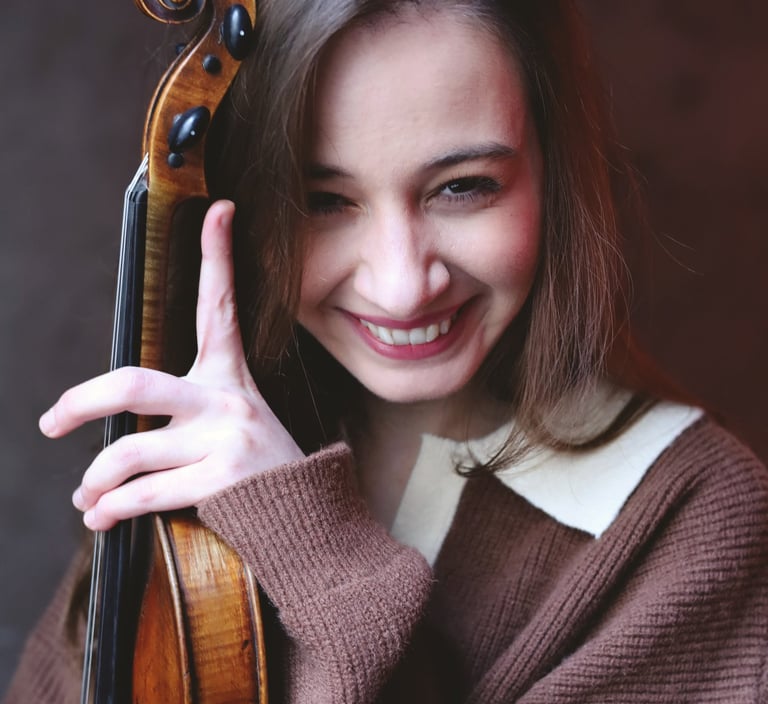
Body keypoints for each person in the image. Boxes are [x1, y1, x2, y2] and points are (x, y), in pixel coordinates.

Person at [5, 0, 768, 701]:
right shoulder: (199, 457)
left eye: (463, 187)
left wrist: (322, 561)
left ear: (553, 170)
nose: (403, 287)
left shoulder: (697, 521)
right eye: (324, 202)